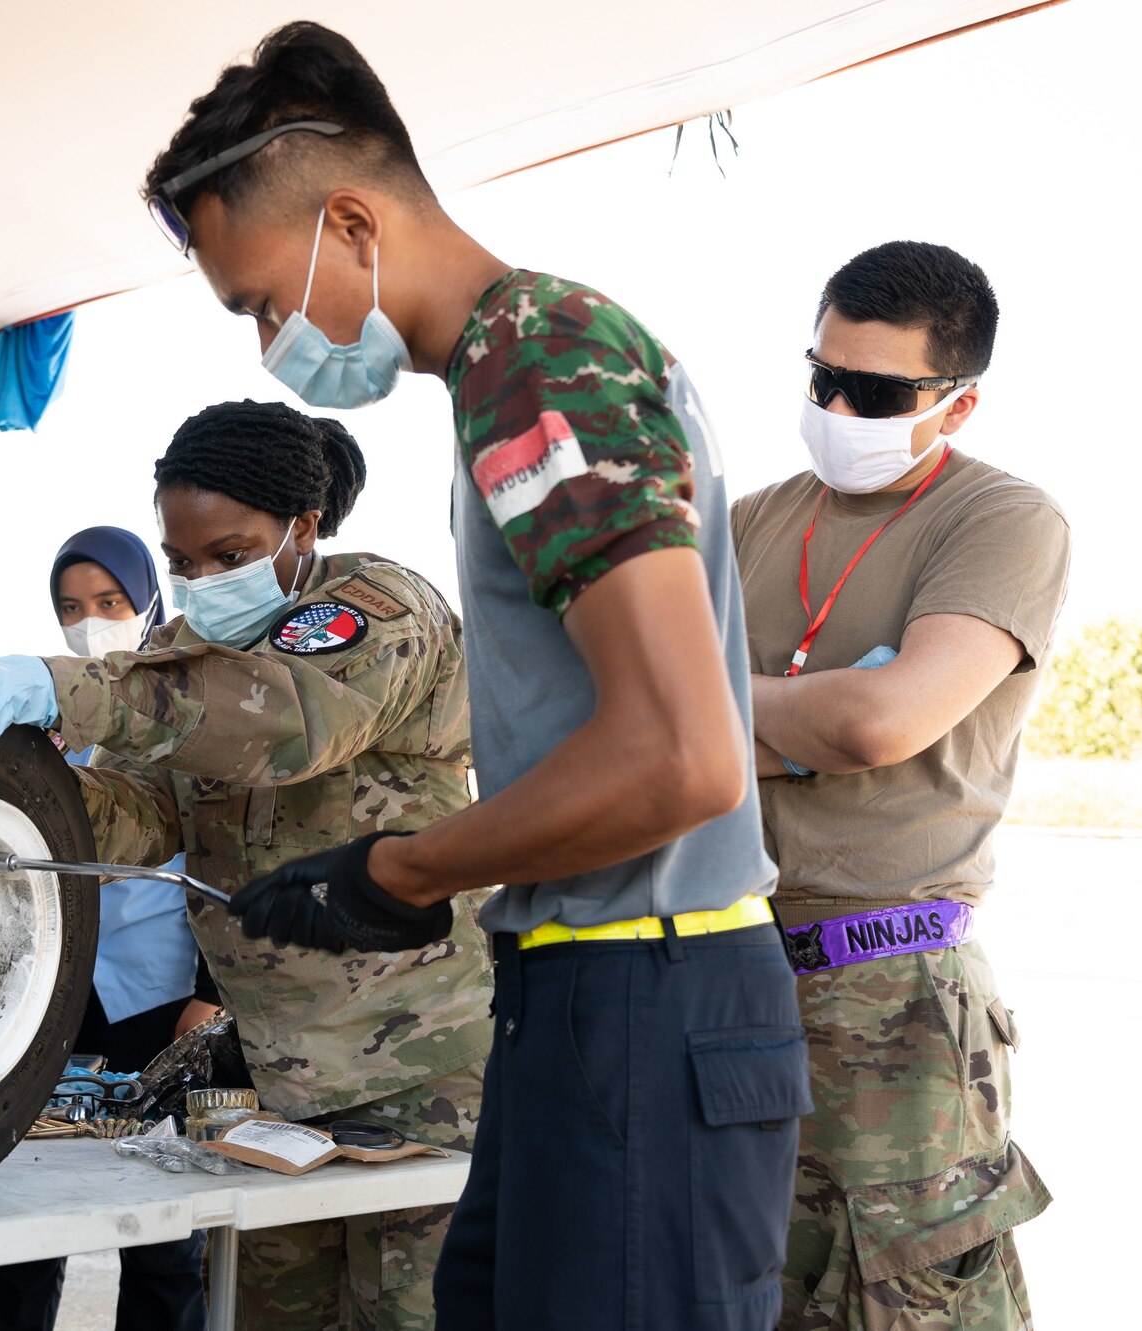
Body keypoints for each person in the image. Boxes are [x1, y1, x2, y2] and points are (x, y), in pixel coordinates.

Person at [138, 23, 803, 1330]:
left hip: (646, 988)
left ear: (350, 219)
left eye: (263, 298)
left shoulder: (540, 358)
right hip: (570, 985)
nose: (270, 339)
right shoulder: (503, 375)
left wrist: (401, 870)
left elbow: (684, 755)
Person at [0, 401, 491, 1329]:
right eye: (184, 563)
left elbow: (282, 722)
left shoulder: (378, 610)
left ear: (303, 529)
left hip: (422, 1082)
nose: (202, 583)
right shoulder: (181, 655)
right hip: (283, 1091)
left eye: (231, 555)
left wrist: (66, 686)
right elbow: (134, 813)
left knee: (409, 1314)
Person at [733, 242, 1065, 1330]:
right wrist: (805, 719)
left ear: (955, 405)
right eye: (819, 376)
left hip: (887, 1000)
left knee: (898, 1309)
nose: (833, 405)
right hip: (722, 975)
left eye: (871, 392)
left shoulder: (998, 521)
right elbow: (624, 718)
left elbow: (879, 721)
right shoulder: (742, 522)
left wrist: (724, 710)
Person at [0, 525, 212, 1331]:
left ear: (149, 597)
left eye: (110, 601)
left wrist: (209, 1000)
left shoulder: (190, 709)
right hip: (54, 999)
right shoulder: (47, 716)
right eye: (71, 606)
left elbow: (232, 860)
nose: (90, 620)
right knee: (24, 1220)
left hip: (163, 1000)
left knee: (165, 1237)